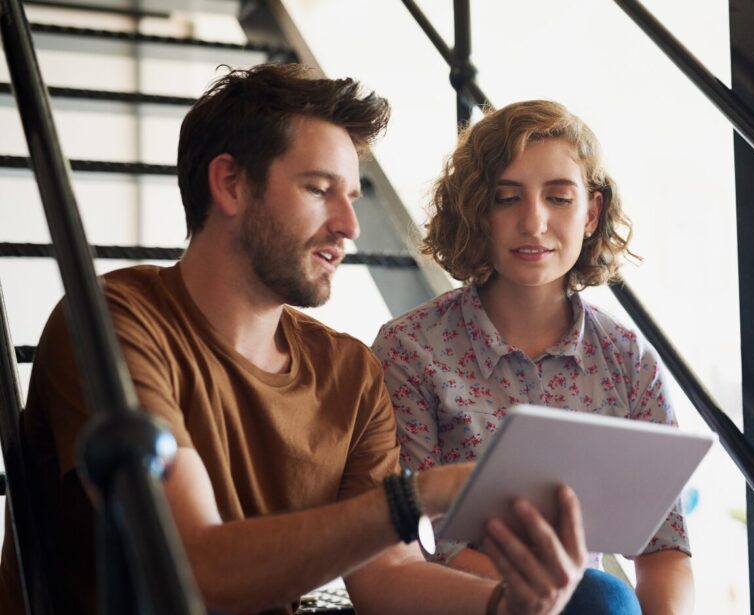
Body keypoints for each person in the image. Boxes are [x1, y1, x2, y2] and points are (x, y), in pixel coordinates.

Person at [0, 65, 589, 615]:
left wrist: (505, 607)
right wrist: (420, 495)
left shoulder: (349, 372)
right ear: (230, 183)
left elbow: (385, 572)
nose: (349, 226)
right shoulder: (114, 322)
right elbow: (188, 565)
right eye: (318, 189)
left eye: (352, 198)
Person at [372, 100, 696, 614]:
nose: (533, 222)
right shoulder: (410, 350)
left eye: (559, 198)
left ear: (591, 213)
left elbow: (665, 550)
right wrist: (547, 595)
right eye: (506, 198)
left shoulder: (629, 361)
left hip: (585, 604)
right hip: (465, 604)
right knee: (600, 596)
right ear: (479, 210)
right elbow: (421, 547)